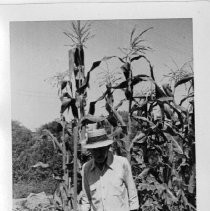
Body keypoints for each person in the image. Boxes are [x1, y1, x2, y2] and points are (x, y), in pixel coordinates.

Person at [81, 128, 139, 211]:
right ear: (90, 150)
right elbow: (86, 199)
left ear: (107, 147)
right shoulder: (86, 168)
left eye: (101, 149)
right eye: (94, 150)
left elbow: (132, 195)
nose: (98, 153)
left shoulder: (121, 163)